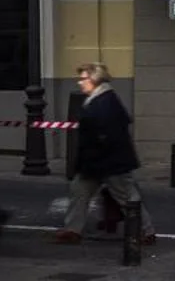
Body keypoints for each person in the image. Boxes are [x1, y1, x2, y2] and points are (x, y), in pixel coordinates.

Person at [54, 63, 155, 244]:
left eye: (83, 78)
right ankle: (72, 229)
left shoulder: (104, 102)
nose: (80, 82)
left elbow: (107, 136)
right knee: (79, 191)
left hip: (109, 162)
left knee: (126, 196)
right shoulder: (100, 98)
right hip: (96, 162)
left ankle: (145, 231)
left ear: (94, 80)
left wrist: (93, 158)